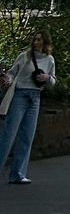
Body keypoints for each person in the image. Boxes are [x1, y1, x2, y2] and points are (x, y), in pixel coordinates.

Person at [0, 31, 57, 184]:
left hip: (35, 98)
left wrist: (47, 78)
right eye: (35, 39)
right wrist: (6, 79)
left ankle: (18, 174)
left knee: (27, 136)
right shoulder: (24, 56)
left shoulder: (50, 59)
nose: (36, 42)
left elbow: (53, 81)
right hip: (20, 95)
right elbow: (12, 73)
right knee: (8, 135)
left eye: (39, 40)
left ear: (45, 42)